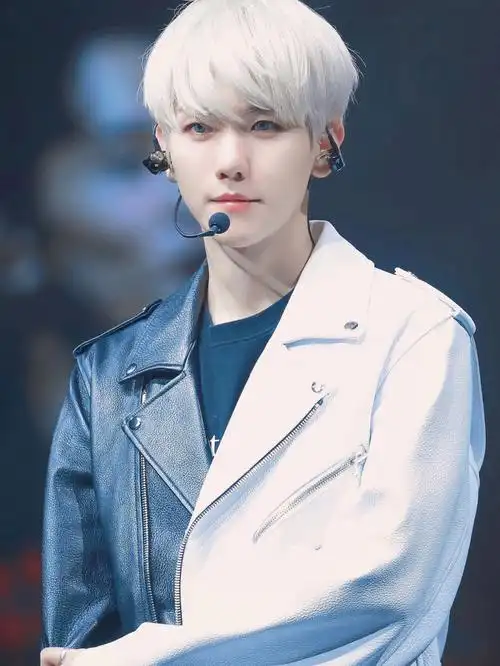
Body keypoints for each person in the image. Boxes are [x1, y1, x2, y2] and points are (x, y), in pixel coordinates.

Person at [40, 0, 485, 664]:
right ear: (164, 148)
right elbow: (77, 641)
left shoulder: (415, 336)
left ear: (326, 144)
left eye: (265, 125)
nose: (231, 161)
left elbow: (390, 596)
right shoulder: (109, 376)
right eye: (199, 127)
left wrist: (149, 657)